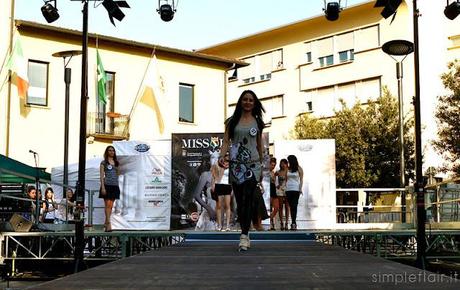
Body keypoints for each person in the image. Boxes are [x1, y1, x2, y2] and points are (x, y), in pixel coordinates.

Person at [219, 89, 265, 251]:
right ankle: (245, 231)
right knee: (240, 201)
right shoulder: (232, 121)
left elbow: (260, 145)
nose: (248, 102)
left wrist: (262, 167)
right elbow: (226, 141)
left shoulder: (258, 122)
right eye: (245, 99)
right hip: (236, 165)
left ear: (254, 103)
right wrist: (221, 155)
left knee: (248, 199)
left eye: (251, 100)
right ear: (240, 101)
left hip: (253, 165)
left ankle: (244, 235)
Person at [99, 145, 121, 232]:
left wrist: (117, 168)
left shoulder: (116, 162)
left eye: (113, 151)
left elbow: (118, 173)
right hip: (107, 185)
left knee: (111, 206)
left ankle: (106, 222)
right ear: (107, 152)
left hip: (115, 185)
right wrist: (103, 187)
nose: (111, 152)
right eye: (110, 150)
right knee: (107, 205)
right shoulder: (103, 163)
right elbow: (101, 176)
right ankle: (109, 223)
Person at [211, 152, 233, 231]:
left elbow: (233, 178)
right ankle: (220, 225)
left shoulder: (232, 165)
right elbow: (214, 176)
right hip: (219, 185)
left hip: (227, 185)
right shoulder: (217, 164)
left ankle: (227, 225)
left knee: (227, 205)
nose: (227, 157)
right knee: (219, 206)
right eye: (226, 156)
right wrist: (213, 184)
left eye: (228, 156)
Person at [285, 155, 303, 231]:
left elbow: (301, 179)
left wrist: (300, 189)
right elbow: (286, 179)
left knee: (294, 206)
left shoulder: (299, 168)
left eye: (289, 160)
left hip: (296, 189)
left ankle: (293, 223)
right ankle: (292, 222)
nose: (288, 162)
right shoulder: (287, 169)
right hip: (288, 189)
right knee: (290, 206)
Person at [276, 158, 289, 230]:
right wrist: (276, 185)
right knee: (280, 207)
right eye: (281, 163)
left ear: (287, 164)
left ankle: (287, 223)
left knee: (287, 207)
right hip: (280, 190)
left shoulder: (289, 172)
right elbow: (273, 177)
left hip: (287, 189)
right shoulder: (278, 172)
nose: (282, 164)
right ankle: (281, 223)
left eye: (284, 163)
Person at [269, 157, 279, 230]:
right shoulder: (266, 172)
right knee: (269, 208)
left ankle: (270, 219)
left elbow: (274, 182)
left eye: (274, 165)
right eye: (272, 165)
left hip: (273, 189)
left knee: (276, 208)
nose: (273, 166)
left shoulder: (273, 172)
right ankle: (271, 222)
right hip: (268, 190)